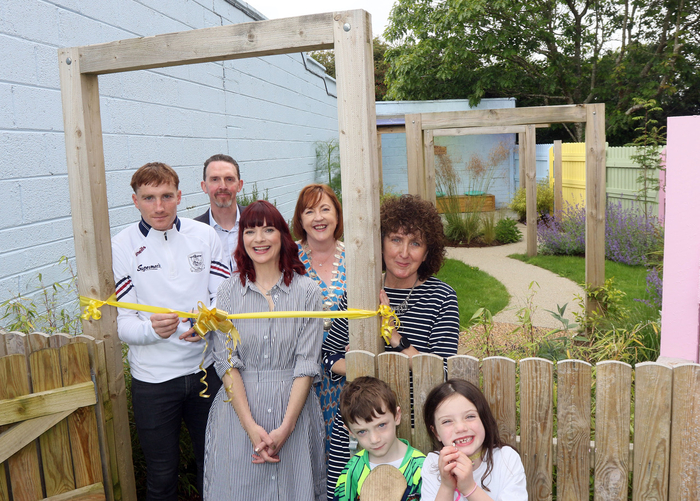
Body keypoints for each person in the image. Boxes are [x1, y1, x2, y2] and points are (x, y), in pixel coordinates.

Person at [323, 194, 460, 500]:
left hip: (416, 426)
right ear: (380, 243)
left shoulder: (442, 298)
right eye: (396, 239)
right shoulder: (358, 295)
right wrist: (380, 366)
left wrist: (394, 338)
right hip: (361, 428)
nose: (403, 252)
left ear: (428, 252)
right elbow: (329, 358)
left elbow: (441, 372)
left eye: (415, 243)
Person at [111, 162, 228, 500]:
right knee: (162, 476)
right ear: (135, 201)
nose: (158, 207)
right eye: (149, 198)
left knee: (216, 465)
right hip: (153, 382)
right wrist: (152, 330)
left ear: (179, 196)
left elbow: (221, 300)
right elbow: (125, 324)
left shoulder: (204, 236)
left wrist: (207, 324)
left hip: (206, 371)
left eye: (166, 196)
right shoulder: (122, 245)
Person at [203, 200, 326, 500]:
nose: (259, 239)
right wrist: (250, 426)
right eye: (250, 231)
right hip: (239, 413)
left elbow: (307, 364)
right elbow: (226, 363)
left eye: (268, 229)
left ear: (282, 236)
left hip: (294, 411)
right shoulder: (228, 292)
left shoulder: (307, 291)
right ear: (241, 239)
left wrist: (287, 427)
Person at [292, 184, 346, 455]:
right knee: (308, 448)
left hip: (348, 370)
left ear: (337, 215)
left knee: (347, 445)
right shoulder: (287, 259)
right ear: (300, 220)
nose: (318, 218)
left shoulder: (357, 257)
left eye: (325, 209)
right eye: (309, 211)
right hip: (303, 372)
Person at [421, 380, 527, 501]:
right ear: (436, 433)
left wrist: (469, 488)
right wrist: (446, 486)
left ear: (484, 419)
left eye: (470, 416)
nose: (460, 428)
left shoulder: (506, 459)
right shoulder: (433, 463)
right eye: (447, 421)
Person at [333, 376, 425, 501]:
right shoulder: (351, 471)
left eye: (381, 425)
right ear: (350, 432)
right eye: (362, 431)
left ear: (397, 416)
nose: (374, 439)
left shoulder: (421, 468)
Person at [194, 154, 245, 270]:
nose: (222, 186)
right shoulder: (194, 233)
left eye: (229, 179)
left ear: (239, 185)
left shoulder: (259, 220)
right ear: (204, 186)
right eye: (215, 179)